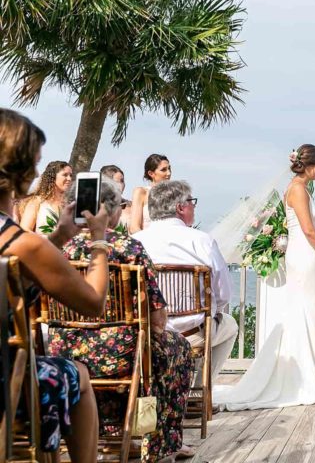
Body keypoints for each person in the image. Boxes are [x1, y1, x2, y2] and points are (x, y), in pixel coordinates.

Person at [51, 177, 194, 462]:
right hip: (123, 356)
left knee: (149, 351)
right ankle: (161, 440)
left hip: (66, 354)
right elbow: (156, 317)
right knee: (177, 349)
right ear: (112, 211)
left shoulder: (59, 250)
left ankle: (102, 434)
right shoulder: (131, 249)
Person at [0, 108, 110, 462]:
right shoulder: (22, 243)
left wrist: (60, 235)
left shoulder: (23, 244)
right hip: (7, 388)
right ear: (25, 169)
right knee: (75, 372)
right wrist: (98, 240)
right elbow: (92, 302)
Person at [213, 144, 315, 409]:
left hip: (302, 255)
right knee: (305, 312)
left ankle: (306, 374)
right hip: (303, 254)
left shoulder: (294, 188)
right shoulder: (299, 189)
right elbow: (309, 230)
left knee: (304, 312)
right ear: (311, 164)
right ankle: (303, 379)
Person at [133, 180, 238, 388]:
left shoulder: (136, 242)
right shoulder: (201, 241)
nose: (194, 206)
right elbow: (224, 293)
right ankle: (199, 390)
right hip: (192, 335)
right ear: (180, 207)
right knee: (230, 325)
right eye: (192, 202)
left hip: (146, 335)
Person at [18, 160, 72, 233]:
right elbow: (24, 230)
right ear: (52, 177)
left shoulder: (68, 205)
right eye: (65, 175)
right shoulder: (37, 201)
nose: (69, 179)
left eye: (70, 175)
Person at [130, 154, 171, 234]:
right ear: (151, 173)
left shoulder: (175, 195)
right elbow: (134, 228)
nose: (169, 173)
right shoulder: (141, 192)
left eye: (169, 169)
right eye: (163, 170)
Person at [101, 164, 131, 229]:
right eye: (117, 182)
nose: (121, 185)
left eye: (122, 181)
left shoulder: (130, 205)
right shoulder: (97, 206)